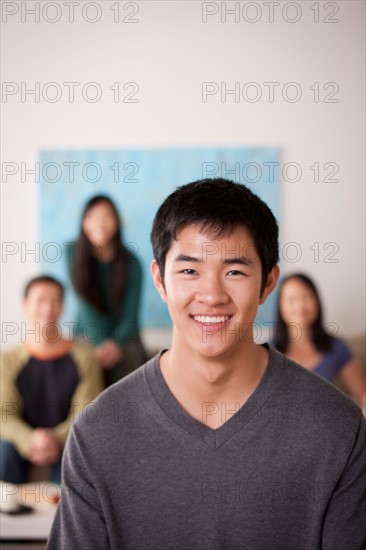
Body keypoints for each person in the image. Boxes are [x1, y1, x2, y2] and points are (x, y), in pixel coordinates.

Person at [47, 179, 366, 550]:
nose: (212, 296)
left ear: (268, 283)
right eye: (189, 271)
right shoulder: (97, 432)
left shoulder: (338, 429)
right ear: (159, 281)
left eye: (234, 271)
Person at [0, 276, 103, 484]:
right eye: (40, 301)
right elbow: (4, 415)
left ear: (62, 307)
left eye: (54, 301)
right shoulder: (8, 359)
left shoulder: (84, 356)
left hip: (67, 441)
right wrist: (30, 440)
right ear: (25, 305)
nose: (47, 308)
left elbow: (86, 413)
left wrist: (55, 439)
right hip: (20, 444)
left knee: (81, 452)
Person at [65, 195, 146, 387]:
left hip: (123, 336)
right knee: (83, 361)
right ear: (83, 222)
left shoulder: (132, 262)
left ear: (117, 221)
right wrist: (100, 342)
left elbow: (131, 317)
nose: (99, 223)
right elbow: (84, 304)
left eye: (107, 216)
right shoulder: (71, 252)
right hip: (87, 332)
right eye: (92, 216)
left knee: (132, 360)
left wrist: (115, 344)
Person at [272, 273, 366, 409]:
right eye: (291, 300)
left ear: (317, 301)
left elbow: (361, 394)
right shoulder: (266, 351)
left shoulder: (337, 347)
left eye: (306, 297)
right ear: (280, 307)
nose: (300, 306)